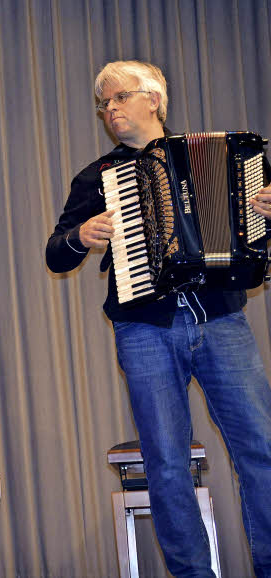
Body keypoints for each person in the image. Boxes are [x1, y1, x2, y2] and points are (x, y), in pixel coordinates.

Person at [46, 60, 271, 577]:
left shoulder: (231, 159)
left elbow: (254, 243)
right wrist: (80, 237)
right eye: (104, 104)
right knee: (167, 465)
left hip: (222, 322)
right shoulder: (97, 177)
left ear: (154, 100)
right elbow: (56, 254)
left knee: (259, 448)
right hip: (145, 329)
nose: (110, 110)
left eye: (119, 98)